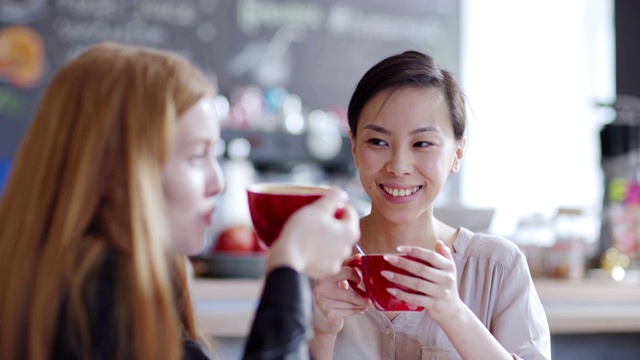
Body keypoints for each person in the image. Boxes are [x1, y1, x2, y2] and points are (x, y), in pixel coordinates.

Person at [0, 42, 360, 360]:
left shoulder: (82, 285)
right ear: (113, 172)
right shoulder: (98, 307)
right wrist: (289, 267)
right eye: (196, 156)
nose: (217, 183)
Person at [309, 50, 551, 360]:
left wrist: (452, 312)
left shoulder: (498, 268)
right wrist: (322, 335)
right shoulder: (311, 264)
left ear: (457, 153)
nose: (399, 166)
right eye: (378, 142)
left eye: (422, 144)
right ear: (354, 146)